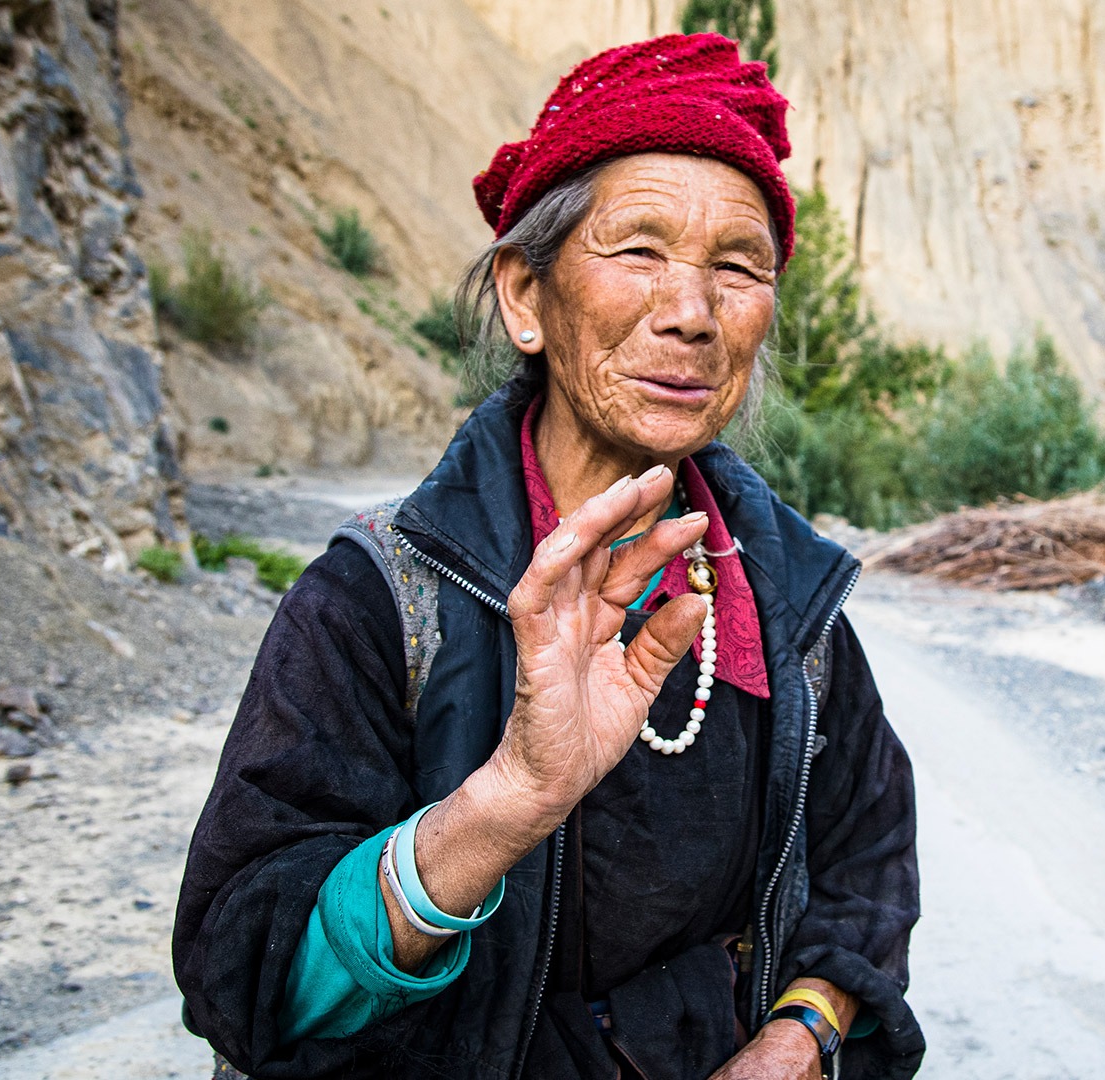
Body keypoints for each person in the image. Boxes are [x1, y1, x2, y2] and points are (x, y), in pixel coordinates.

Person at [173, 33, 922, 1080]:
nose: (693, 313)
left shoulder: (789, 602)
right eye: (640, 249)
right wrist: (505, 805)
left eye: (738, 267)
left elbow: (867, 866)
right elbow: (241, 976)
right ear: (526, 298)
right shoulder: (382, 598)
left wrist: (805, 1031)